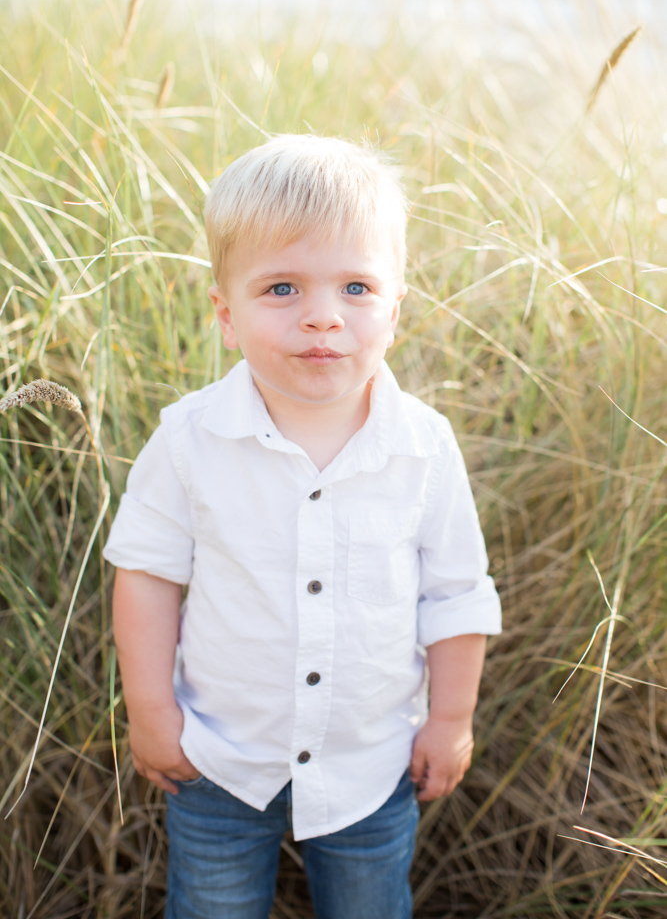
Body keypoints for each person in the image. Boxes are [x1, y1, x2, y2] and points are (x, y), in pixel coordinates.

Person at [104, 134, 502, 919]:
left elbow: (456, 592)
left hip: (371, 763)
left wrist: (451, 721)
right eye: (282, 289)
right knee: (211, 907)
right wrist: (151, 713)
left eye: (355, 288)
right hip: (220, 756)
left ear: (396, 308)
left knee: (369, 906)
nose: (322, 318)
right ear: (226, 314)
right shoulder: (188, 439)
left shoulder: (421, 446)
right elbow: (147, 575)